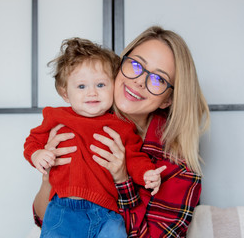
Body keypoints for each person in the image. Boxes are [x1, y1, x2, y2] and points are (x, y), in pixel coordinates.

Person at [31, 26, 210, 237]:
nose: (139, 81)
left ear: (168, 99)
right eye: (135, 65)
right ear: (119, 65)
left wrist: (122, 179)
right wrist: (48, 179)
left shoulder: (178, 167)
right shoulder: (82, 117)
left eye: (158, 79)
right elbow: (45, 220)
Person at [24, 37, 167, 237]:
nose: (92, 93)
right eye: (81, 87)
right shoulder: (57, 117)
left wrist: (147, 174)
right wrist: (37, 154)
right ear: (66, 94)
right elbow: (33, 140)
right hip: (64, 208)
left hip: (108, 213)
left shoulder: (122, 127)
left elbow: (134, 158)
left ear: (113, 86)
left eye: (100, 85)